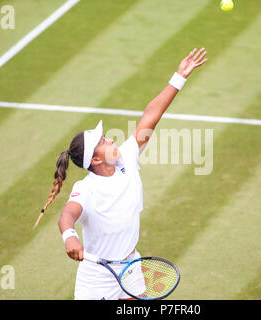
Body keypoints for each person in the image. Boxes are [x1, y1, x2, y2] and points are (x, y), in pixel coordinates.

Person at [35, 48, 208, 300]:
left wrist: (179, 77)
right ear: (95, 159)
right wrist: (69, 237)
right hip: (97, 279)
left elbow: (150, 116)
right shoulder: (87, 188)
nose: (111, 139)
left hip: (130, 267)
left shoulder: (126, 157)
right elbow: (67, 215)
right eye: (104, 141)